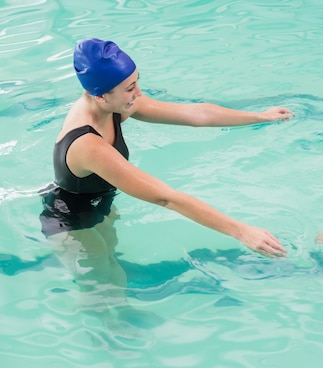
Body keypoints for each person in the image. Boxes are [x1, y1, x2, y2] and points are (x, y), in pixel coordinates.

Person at [39, 38, 294, 326]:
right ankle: (100, 338)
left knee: (115, 275)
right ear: (100, 96)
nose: (138, 93)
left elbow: (196, 114)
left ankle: (118, 321)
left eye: (137, 82)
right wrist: (240, 231)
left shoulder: (115, 102)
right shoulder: (87, 144)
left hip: (100, 202)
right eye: (130, 88)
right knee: (98, 286)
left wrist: (260, 116)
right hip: (71, 221)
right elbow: (165, 197)